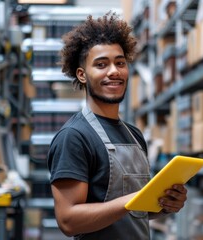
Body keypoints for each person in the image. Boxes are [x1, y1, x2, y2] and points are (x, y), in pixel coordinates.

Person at [47, 11, 188, 239]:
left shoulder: (133, 135)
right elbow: (68, 220)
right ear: (82, 75)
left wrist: (165, 204)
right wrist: (128, 202)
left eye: (120, 63)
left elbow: (135, 211)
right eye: (101, 64)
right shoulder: (74, 137)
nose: (114, 71)